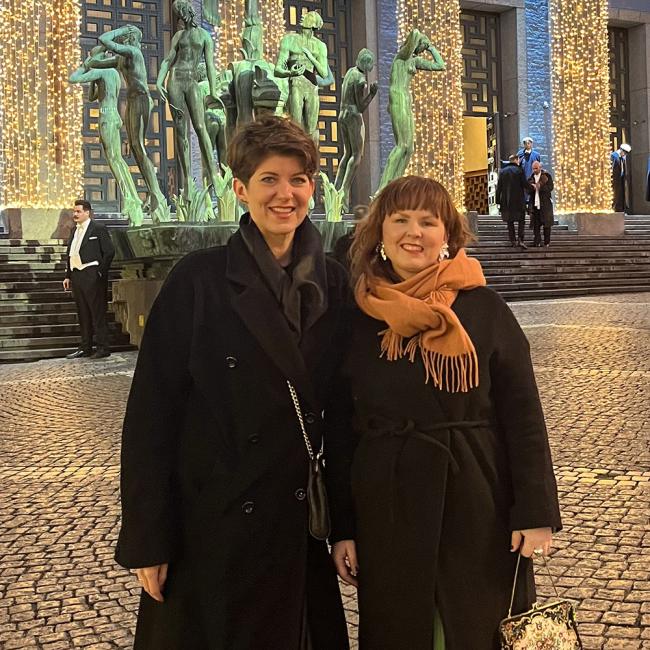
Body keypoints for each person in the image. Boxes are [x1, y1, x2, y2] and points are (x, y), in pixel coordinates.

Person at [115, 115, 350, 649]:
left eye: (297, 179)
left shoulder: (335, 281)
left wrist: (349, 524)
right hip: (213, 526)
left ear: (313, 188)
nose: (284, 194)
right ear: (241, 189)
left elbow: (347, 412)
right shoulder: (198, 279)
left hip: (296, 528)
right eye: (268, 179)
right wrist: (149, 539)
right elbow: (151, 417)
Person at [328, 176, 561, 649]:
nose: (414, 232)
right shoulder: (356, 316)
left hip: (476, 499)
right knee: (399, 628)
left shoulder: (485, 308)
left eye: (428, 221)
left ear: (448, 235)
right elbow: (340, 432)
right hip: (386, 504)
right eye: (401, 220)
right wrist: (343, 528)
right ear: (380, 233)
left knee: (475, 626)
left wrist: (534, 512)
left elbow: (523, 417)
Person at [95, 25, 169, 222]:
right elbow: (93, 62)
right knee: (135, 148)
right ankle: (153, 193)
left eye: (127, 37)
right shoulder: (120, 59)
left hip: (142, 99)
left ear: (130, 39)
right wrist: (99, 53)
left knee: (139, 146)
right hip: (131, 101)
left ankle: (156, 194)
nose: (125, 41)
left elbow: (104, 38)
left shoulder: (133, 52)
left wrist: (120, 32)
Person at [156, 0, 221, 206]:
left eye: (182, 12)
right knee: (181, 131)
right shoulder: (178, 36)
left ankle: (214, 175)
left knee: (201, 126)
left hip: (192, 80)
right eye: (179, 14)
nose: (182, 16)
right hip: (175, 79)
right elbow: (168, 60)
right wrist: (159, 81)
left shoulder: (204, 36)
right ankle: (188, 184)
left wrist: (213, 90)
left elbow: (210, 65)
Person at [69, 47, 144, 226]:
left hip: (107, 117)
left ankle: (131, 199)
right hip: (109, 116)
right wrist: (94, 78)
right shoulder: (110, 73)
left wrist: (87, 66)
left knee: (115, 160)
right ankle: (131, 198)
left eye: (93, 58)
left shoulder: (105, 71)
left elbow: (73, 78)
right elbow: (93, 95)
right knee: (115, 160)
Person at [377, 29, 445, 192]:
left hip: (406, 100)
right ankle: (382, 188)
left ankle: (395, 185)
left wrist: (431, 48)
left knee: (409, 148)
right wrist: (421, 39)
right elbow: (414, 33)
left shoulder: (414, 61)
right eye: (422, 46)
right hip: (397, 97)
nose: (422, 50)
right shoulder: (401, 56)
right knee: (402, 145)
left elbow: (440, 66)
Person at [63, 200, 115, 359]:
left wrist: (100, 272)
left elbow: (109, 252)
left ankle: (103, 347)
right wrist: (68, 275)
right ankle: (85, 347)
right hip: (77, 275)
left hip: (92, 274)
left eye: (78, 211)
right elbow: (70, 253)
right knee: (83, 312)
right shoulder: (74, 230)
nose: (75, 214)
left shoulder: (98, 228)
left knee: (97, 312)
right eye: (74, 211)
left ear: (87, 212)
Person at [274, 11, 332, 144]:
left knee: (311, 130)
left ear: (314, 24)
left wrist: (311, 57)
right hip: (295, 84)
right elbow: (277, 69)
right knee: (296, 127)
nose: (302, 17)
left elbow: (323, 73)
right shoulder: (289, 40)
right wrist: (290, 73)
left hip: (311, 86)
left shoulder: (320, 46)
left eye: (307, 16)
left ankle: (311, 162)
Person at [334, 49, 378, 212]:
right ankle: (343, 193)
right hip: (353, 116)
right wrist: (372, 94)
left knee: (347, 154)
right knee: (356, 156)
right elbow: (361, 106)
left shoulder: (350, 72)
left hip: (342, 115)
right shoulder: (360, 80)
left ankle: (336, 189)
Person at [496, 154, 529, 248]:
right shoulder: (519, 170)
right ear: (516, 160)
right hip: (519, 201)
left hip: (507, 201)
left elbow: (499, 188)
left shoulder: (502, 171)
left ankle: (513, 240)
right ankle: (520, 239)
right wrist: (533, 188)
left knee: (510, 222)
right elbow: (525, 184)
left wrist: (498, 201)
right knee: (521, 221)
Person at [528, 160, 554, 247]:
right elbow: (527, 190)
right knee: (536, 225)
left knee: (546, 225)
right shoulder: (531, 178)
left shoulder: (546, 176)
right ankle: (537, 241)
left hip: (545, 204)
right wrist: (532, 187)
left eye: (536, 168)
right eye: (533, 169)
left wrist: (540, 187)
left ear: (540, 168)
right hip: (535, 205)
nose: (534, 170)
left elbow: (550, 187)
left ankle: (547, 242)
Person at [610, 143, 631, 212]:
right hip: (614, 180)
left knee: (620, 196)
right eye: (625, 153)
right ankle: (614, 209)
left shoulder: (622, 158)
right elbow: (612, 169)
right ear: (621, 150)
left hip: (620, 180)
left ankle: (620, 209)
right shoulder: (613, 156)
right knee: (615, 195)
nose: (625, 155)